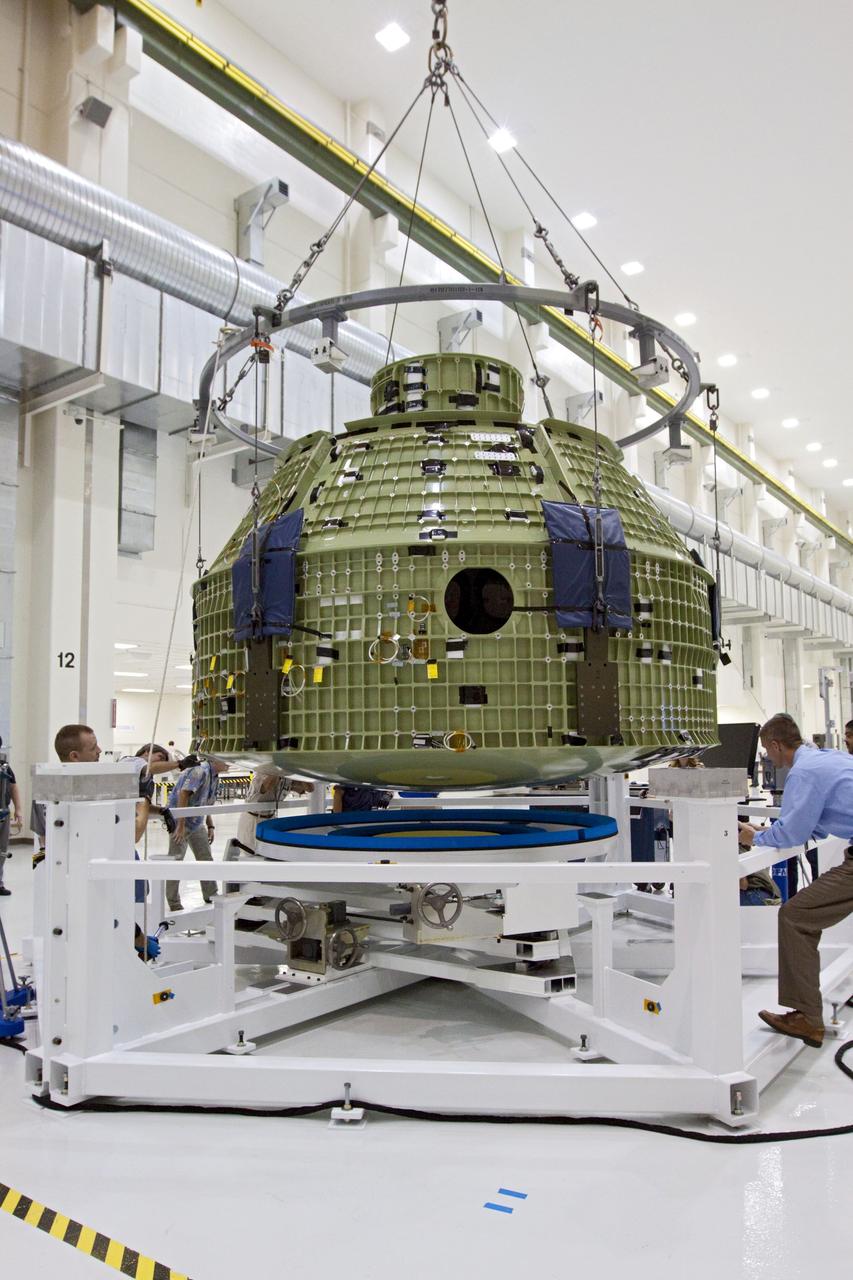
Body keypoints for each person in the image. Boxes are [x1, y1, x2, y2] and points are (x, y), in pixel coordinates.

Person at [739, 712, 853, 1048]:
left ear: (776, 745)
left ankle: (807, 1018)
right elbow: (816, 823)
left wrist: (755, 838)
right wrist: (769, 832)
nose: (767, 757)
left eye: (766, 749)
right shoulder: (825, 758)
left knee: (795, 916)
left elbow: (797, 832)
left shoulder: (803, 772)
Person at [165, 755, 229, 910]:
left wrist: (210, 825)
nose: (229, 764)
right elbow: (183, 794)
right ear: (214, 760)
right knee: (176, 861)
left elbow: (206, 802)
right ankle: (174, 903)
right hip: (180, 821)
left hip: (196, 822)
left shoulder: (214, 776)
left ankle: (211, 895)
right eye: (225, 761)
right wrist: (180, 826)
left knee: (205, 858)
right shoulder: (199, 772)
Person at [0, 737, 22, 896]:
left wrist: (18, 810)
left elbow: (13, 787)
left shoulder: (5, 767)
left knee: (2, 849)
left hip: (3, 811)